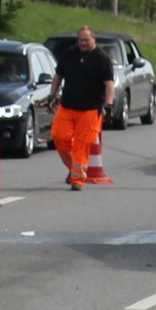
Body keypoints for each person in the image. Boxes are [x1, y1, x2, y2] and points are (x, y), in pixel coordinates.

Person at [49, 26, 115, 191]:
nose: (83, 43)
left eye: (86, 40)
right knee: (59, 136)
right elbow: (58, 75)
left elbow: (109, 84)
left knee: (81, 144)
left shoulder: (102, 59)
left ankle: (77, 180)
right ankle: (74, 169)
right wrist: (52, 94)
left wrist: (108, 104)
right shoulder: (69, 54)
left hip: (90, 109)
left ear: (94, 40)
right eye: (80, 40)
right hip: (67, 106)